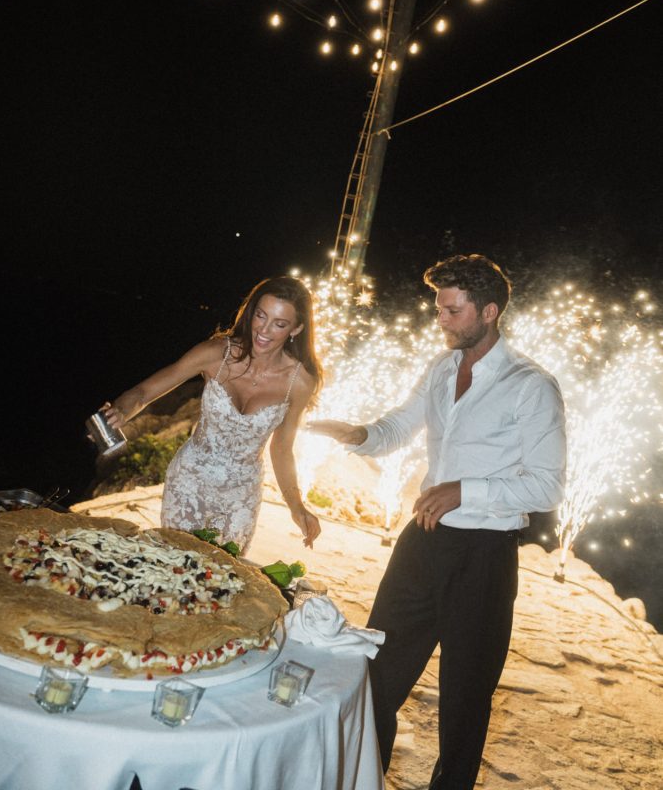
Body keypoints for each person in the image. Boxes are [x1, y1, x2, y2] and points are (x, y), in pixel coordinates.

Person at [310, 254, 566, 790]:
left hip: (485, 557)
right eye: (438, 309)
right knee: (375, 677)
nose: (441, 320)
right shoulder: (441, 368)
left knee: (464, 701)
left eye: (452, 310)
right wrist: (358, 435)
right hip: (422, 545)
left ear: (489, 311)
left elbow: (547, 487)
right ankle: (363, 781)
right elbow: (400, 427)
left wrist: (463, 490)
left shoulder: (531, 386)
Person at [102, 276, 322, 555]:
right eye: (260, 316)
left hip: (241, 494)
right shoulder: (216, 354)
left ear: (296, 329)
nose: (263, 331)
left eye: (279, 324)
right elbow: (144, 392)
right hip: (190, 480)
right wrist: (121, 409)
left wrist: (296, 506)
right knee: (175, 563)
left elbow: (282, 448)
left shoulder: (299, 382)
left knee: (222, 576)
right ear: (251, 312)